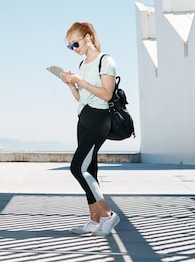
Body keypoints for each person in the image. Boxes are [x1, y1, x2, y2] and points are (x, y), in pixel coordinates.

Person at [59, 22, 120, 236]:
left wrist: (80, 81)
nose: (73, 48)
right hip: (83, 118)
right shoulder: (83, 65)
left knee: (77, 168)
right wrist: (72, 86)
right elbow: (81, 98)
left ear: (87, 37)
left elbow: (106, 94)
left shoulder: (106, 60)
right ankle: (94, 220)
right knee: (90, 169)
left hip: (99, 119)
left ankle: (108, 215)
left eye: (75, 43)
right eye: (69, 46)